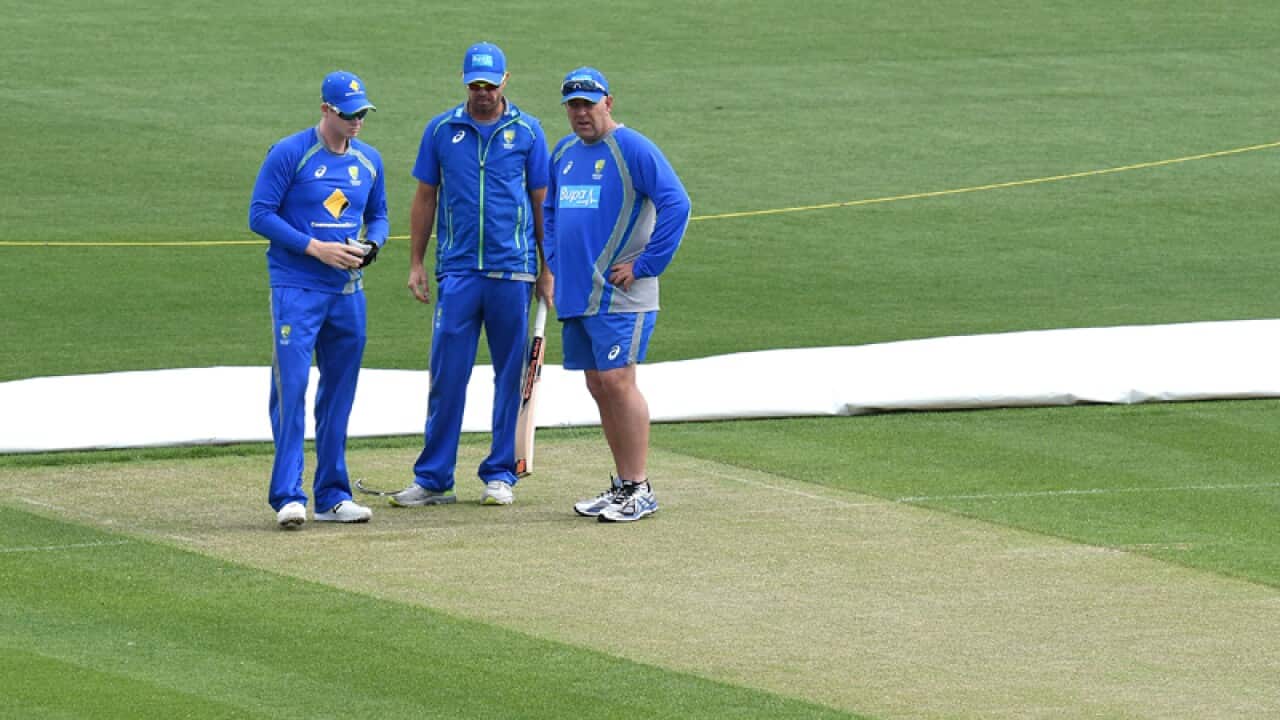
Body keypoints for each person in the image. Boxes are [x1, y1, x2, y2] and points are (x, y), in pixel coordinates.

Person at [391, 41, 551, 508]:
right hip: (458, 272)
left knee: (509, 378)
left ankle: (500, 473)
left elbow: (542, 203)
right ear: (465, 83)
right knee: (447, 376)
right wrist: (416, 262)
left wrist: (547, 269)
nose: (482, 92)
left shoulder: (528, 132)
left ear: (505, 81)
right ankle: (434, 478)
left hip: (513, 272)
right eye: (475, 84)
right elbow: (425, 197)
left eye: (489, 84)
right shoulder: (442, 130)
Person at [544, 67, 691, 523]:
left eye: (588, 104)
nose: (580, 113)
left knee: (617, 381)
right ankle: (624, 484)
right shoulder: (564, 152)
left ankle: (640, 487)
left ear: (608, 102)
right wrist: (555, 260)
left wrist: (646, 265)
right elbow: (550, 211)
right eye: (573, 105)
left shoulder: (632, 148)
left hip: (621, 295)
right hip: (579, 293)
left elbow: (677, 203)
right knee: (598, 384)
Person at [248, 70, 387, 529]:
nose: (356, 122)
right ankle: (289, 495)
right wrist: (315, 249)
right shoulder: (290, 153)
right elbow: (260, 215)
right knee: (291, 391)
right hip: (297, 289)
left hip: (348, 293)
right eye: (348, 114)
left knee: (339, 395)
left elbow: (379, 215)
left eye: (362, 114)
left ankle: (332, 495)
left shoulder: (369, 160)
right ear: (326, 109)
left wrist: (372, 245)